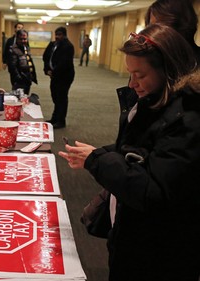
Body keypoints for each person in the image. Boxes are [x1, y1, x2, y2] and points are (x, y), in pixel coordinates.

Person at [59, 24, 200, 281]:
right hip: (133, 235)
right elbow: (139, 151)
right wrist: (96, 154)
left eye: (140, 75)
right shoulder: (155, 101)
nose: (133, 83)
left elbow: (153, 191)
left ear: (168, 70)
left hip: (159, 253)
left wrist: (98, 161)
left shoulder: (187, 120)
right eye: (129, 74)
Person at [42, 26, 75, 129]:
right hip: (54, 76)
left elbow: (64, 63)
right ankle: (54, 118)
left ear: (64, 35)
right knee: (55, 96)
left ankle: (61, 121)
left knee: (61, 98)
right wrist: (47, 69)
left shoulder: (68, 46)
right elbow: (45, 57)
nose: (57, 37)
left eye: (59, 35)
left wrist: (54, 72)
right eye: (56, 34)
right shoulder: (53, 44)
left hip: (64, 76)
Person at [7, 29, 37, 96]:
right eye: (21, 39)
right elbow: (12, 67)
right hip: (19, 81)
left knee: (25, 97)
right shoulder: (13, 50)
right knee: (18, 98)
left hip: (27, 79)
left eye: (25, 39)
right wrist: (19, 79)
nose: (23, 41)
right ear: (17, 39)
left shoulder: (26, 48)